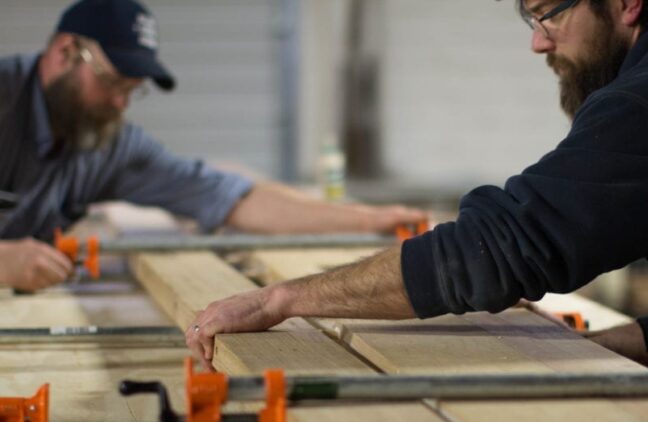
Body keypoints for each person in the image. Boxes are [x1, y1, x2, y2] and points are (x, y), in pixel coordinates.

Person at [188, 0, 648, 370]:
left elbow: (501, 249)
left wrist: (278, 300)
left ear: (628, 4)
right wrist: (600, 348)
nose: (538, 40)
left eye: (549, 12)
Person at [0, 0, 426, 292]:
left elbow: (233, 199)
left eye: (133, 91)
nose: (119, 104)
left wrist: (373, 219)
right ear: (64, 52)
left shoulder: (106, 141)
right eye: (112, 83)